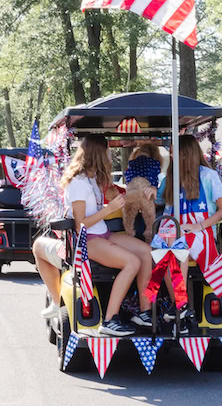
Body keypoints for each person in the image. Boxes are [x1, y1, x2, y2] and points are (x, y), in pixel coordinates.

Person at [61, 137, 154, 337]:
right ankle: (110, 319)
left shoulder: (92, 179)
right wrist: (109, 209)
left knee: (146, 252)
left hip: (103, 233)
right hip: (87, 240)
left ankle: (144, 312)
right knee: (132, 262)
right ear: (98, 154)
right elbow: (81, 225)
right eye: (108, 151)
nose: (111, 155)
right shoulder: (78, 183)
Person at [158, 134, 222, 254]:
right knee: (170, 242)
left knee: (176, 243)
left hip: (202, 232)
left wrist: (199, 226)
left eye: (174, 152)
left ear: (186, 154)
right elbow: (158, 202)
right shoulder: (170, 178)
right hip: (170, 231)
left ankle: (178, 272)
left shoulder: (208, 176)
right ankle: (177, 272)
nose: (170, 155)